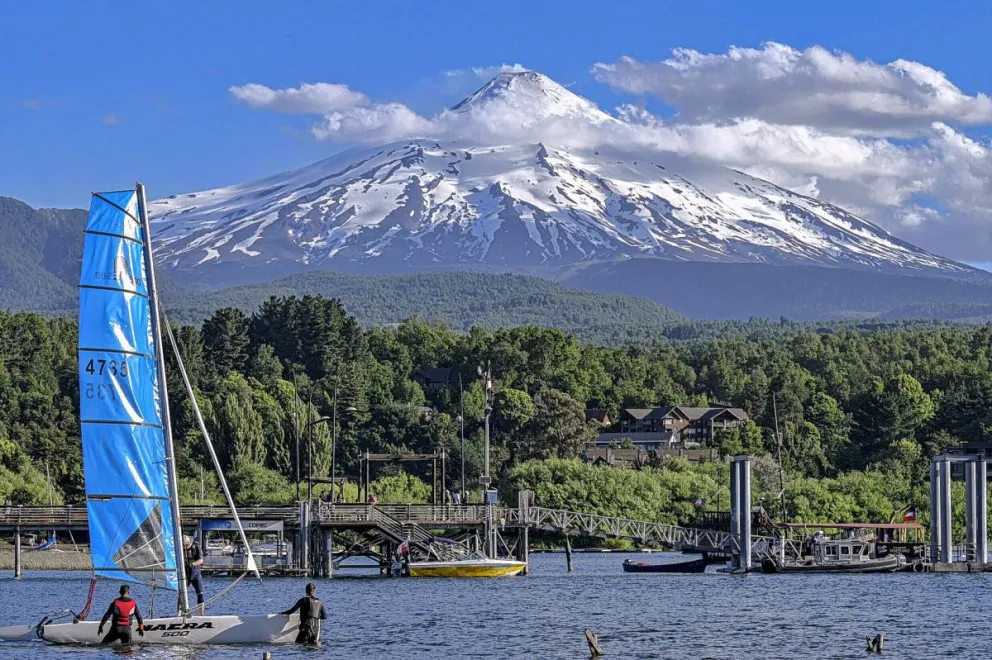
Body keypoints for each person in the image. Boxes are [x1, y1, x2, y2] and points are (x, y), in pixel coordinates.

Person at [183, 535, 206, 615]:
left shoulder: (196, 546)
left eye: (187, 546)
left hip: (195, 573)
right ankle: (179, 614)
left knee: (200, 593)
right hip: (185, 574)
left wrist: (192, 564)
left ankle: (201, 615)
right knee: (181, 594)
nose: (187, 548)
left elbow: (201, 560)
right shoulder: (181, 549)